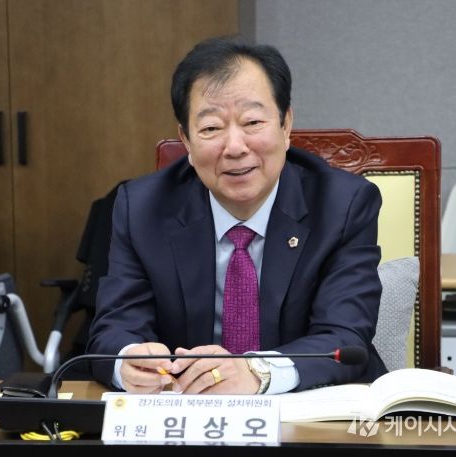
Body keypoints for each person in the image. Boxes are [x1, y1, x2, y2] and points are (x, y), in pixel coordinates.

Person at [87, 36, 387, 395]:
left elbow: (344, 337)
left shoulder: (342, 204)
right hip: (187, 410)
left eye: (253, 122)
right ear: (186, 140)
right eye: (211, 128)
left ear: (286, 125)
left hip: (309, 408)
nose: (234, 147)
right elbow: (114, 329)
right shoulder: (142, 208)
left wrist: (257, 372)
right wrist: (129, 362)